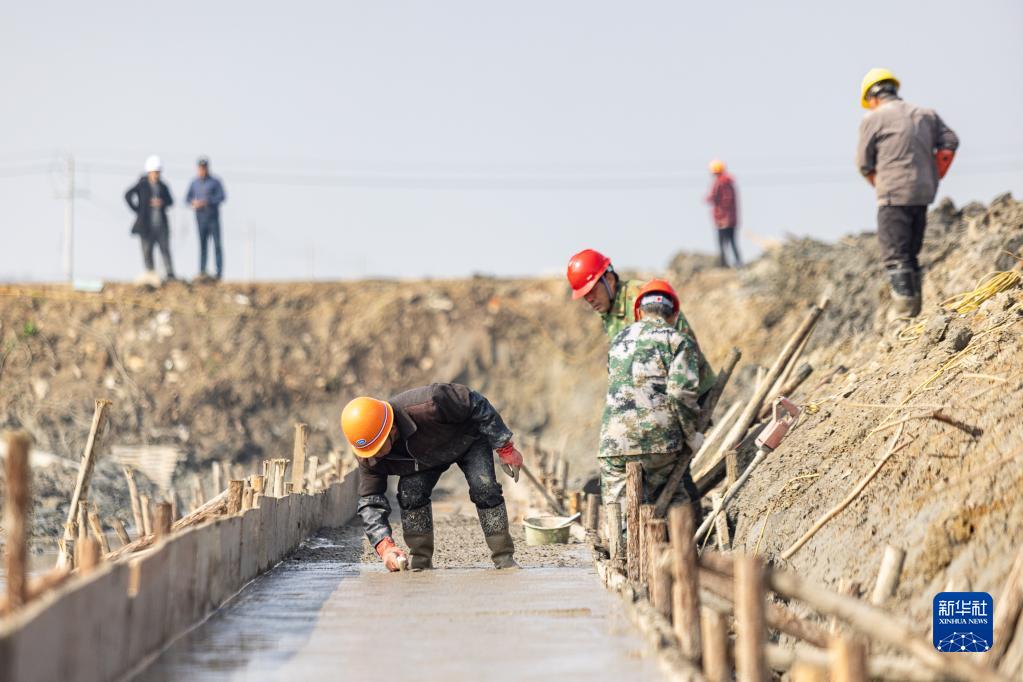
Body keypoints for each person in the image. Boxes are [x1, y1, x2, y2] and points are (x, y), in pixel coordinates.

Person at [341, 383, 523, 572]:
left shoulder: (430, 402)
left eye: (378, 449)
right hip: (425, 460)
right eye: (369, 452)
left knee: (484, 488)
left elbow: (475, 403)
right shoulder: (369, 455)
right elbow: (371, 502)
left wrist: (505, 447)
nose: (374, 456)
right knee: (410, 493)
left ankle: (504, 558)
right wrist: (384, 547)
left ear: (392, 430)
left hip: (468, 440)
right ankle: (421, 562)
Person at [598, 279, 704, 521]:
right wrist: (691, 435)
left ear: (639, 311)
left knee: (619, 514)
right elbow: (681, 394)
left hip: (614, 443)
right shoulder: (678, 341)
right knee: (674, 500)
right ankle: (681, 541)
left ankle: (622, 543)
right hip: (660, 442)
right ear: (674, 314)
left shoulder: (618, 341)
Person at [856, 68, 959, 318]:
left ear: (872, 97)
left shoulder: (873, 118)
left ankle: (904, 317)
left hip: (893, 197)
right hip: (922, 194)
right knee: (911, 255)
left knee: (896, 256)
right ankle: (915, 312)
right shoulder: (925, 114)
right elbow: (950, 142)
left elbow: (863, 164)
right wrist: (934, 174)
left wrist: (880, 184)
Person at [566, 248, 715, 393]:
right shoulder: (608, 310)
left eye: (592, 291)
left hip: (688, 389)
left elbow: (681, 348)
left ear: (609, 280)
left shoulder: (644, 299)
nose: (589, 299)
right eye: (585, 295)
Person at [125, 155, 175, 281]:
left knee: (165, 249)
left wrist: (162, 202)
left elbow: (170, 201)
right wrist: (138, 209)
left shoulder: (162, 186)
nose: (156, 175)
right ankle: (150, 272)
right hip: (146, 225)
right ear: (149, 172)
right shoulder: (142, 185)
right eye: (154, 172)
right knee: (147, 250)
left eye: (158, 172)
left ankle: (170, 274)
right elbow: (128, 195)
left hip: (161, 225)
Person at [185, 157, 227, 280]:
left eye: (204, 168)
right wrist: (194, 202)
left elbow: (222, 196)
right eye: (200, 168)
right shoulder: (194, 183)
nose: (202, 170)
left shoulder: (215, 182)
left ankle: (218, 273)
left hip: (213, 218)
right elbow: (187, 199)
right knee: (203, 246)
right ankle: (202, 272)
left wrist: (207, 201)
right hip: (200, 218)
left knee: (217, 245)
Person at [705, 159, 742, 268]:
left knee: (722, 243)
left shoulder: (720, 183)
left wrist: (722, 217)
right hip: (731, 219)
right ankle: (738, 263)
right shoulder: (728, 182)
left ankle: (724, 264)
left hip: (723, 219)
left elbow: (718, 199)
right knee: (732, 242)